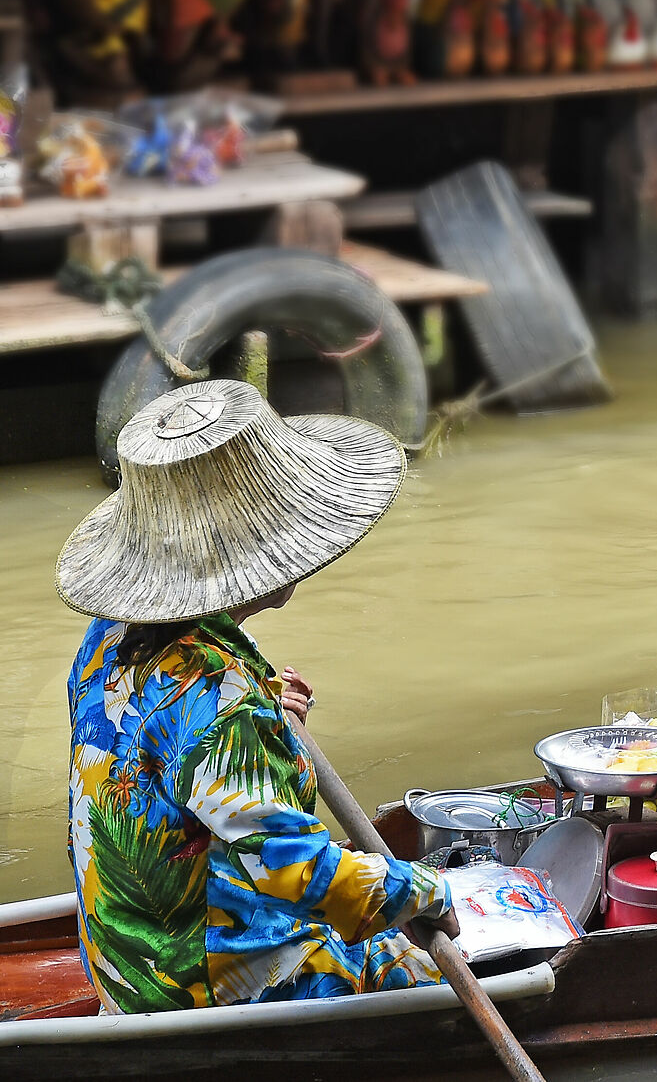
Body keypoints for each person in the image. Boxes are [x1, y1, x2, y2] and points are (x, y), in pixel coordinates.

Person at [58, 379, 456, 1013]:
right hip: (197, 984)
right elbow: (297, 870)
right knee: (419, 970)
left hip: (127, 957)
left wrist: (268, 707)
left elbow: (158, 748)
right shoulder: (222, 703)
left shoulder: (109, 639)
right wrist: (430, 891)